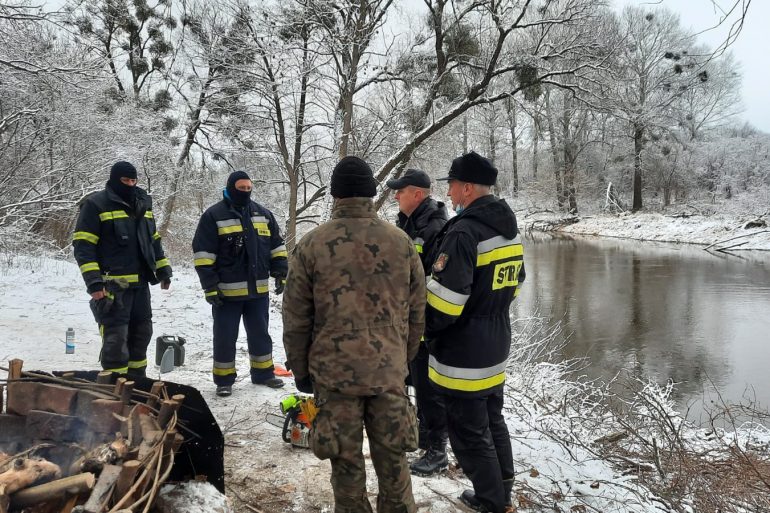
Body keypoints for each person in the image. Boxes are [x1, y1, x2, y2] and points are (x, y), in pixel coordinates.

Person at [283, 156, 426, 513]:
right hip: (388, 371)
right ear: (371, 193)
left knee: (345, 466)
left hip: (334, 377)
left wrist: (301, 370)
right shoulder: (401, 242)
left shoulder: (312, 245)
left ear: (335, 195)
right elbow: (418, 311)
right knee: (394, 463)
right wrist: (401, 359)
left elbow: (296, 317)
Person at [425, 152, 525, 513]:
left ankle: (490, 501)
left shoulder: (465, 231)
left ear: (466, 188)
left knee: (468, 431)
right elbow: (515, 284)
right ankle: (503, 491)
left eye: (451, 185)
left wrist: (423, 331)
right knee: (492, 419)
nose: (449, 192)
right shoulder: (507, 229)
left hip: (463, 350)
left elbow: (445, 303)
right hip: (495, 341)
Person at [192, 170, 288, 397]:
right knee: (225, 336)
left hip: (258, 291)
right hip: (227, 294)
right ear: (231, 187)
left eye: (248, 188)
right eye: (241, 188)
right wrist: (210, 286)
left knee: (260, 333)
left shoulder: (263, 214)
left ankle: (264, 373)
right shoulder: (213, 216)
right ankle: (224, 380)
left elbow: (277, 246)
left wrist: (281, 272)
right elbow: (203, 254)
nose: (245, 192)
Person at [73, 161, 172, 376]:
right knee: (116, 339)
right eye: (125, 180)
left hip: (141, 284)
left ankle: (137, 385)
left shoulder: (143, 204)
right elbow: (83, 246)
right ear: (114, 179)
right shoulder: (96, 205)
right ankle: (115, 388)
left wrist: (163, 268)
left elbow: (153, 239)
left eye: (133, 180)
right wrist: (94, 282)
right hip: (113, 285)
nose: (130, 184)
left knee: (141, 335)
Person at [385, 168, 449, 476]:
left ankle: (437, 450)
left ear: (418, 194)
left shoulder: (436, 227)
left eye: (401, 190)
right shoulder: (408, 223)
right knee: (412, 379)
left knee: (428, 386)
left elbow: (435, 278)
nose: (396, 195)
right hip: (406, 319)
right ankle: (422, 436)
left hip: (426, 321)